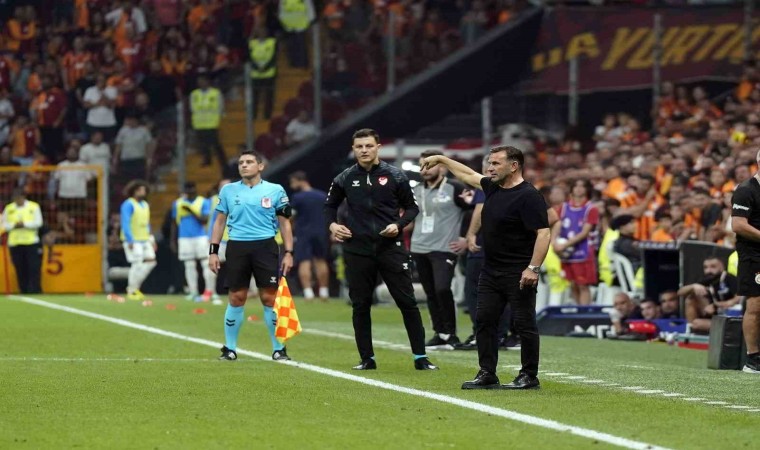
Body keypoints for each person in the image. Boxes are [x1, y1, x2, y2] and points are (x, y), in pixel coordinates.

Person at [421, 145, 550, 389]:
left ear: (514, 166)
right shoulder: (492, 187)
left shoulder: (529, 195)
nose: (490, 168)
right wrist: (442, 159)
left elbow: (543, 233)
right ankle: (487, 373)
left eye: (496, 163)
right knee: (484, 321)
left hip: (518, 271)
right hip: (490, 270)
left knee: (524, 324)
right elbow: (468, 174)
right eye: (490, 163)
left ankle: (529, 375)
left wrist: (533, 268)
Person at [324, 128, 438, 371]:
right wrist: (333, 225)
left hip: (390, 248)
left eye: (368, 146)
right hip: (357, 248)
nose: (364, 150)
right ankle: (367, 359)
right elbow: (329, 207)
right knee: (360, 304)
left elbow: (412, 208)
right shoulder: (344, 178)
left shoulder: (396, 175)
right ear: (353, 150)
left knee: (407, 302)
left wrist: (398, 225)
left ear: (378, 147)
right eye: (359, 147)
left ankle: (420, 357)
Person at [209, 150, 295, 361]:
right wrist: (213, 252)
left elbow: (285, 224)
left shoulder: (275, 190)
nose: (244, 165)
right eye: (241, 162)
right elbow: (219, 222)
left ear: (261, 166)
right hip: (237, 247)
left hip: (266, 246)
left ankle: (279, 348)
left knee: (269, 297)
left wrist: (289, 252)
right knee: (236, 297)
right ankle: (230, 348)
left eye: (249, 162)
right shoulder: (228, 190)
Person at [410, 149, 470, 350]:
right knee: (430, 292)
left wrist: (466, 237)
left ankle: (451, 333)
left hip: (445, 247)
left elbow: (476, 210)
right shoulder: (416, 189)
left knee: (442, 288)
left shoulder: (455, 187)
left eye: (429, 165)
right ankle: (439, 333)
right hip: (419, 247)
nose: (425, 169)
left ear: (443, 167)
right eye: (422, 165)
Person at [730, 160, 760, 373]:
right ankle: (753, 358)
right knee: (756, 305)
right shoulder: (746, 189)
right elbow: (738, 225)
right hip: (754, 255)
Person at [553, 179, 599, 305]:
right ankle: (578, 309)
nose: (579, 188)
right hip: (567, 253)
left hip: (582, 251)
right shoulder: (563, 207)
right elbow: (557, 224)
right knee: (572, 284)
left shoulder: (591, 208)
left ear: (587, 189)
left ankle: (584, 312)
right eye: (576, 186)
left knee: (583, 284)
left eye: (582, 186)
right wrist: (554, 242)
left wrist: (564, 245)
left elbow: (585, 232)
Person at [288, 170, 330, 300]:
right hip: (321, 232)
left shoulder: (298, 197)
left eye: (292, 182)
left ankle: (308, 293)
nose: (291, 186)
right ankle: (324, 292)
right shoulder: (323, 196)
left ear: (299, 181)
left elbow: (290, 216)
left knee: (304, 262)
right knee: (321, 260)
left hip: (303, 233)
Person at [171, 182, 216, 302]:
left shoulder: (203, 202)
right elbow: (174, 223)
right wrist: (173, 240)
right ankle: (193, 292)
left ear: (195, 189)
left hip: (200, 237)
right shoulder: (177, 203)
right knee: (189, 265)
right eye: (187, 189)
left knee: (206, 264)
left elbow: (204, 220)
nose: (189, 192)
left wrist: (190, 210)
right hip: (184, 237)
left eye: (191, 189)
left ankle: (210, 291)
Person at [678, 256, 740, 333]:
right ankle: (690, 330)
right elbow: (680, 292)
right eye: (705, 267)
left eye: (713, 267)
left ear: (721, 267)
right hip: (713, 315)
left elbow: (740, 297)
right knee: (690, 298)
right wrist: (693, 286)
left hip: (729, 318)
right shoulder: (706, 279)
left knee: (697, 324)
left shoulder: (728, 277)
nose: (708, 270)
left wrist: (717, 305)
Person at [119, 180, 157, 301]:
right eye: (140, 190)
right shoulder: (128, 204)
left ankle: (135, 287)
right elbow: (125, 222)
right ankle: (132, 290)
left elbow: (147, 223)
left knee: (151, 261)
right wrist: (129, 239)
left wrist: (152, 239)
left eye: (144, 190)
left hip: (144, 238)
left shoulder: (145, 205)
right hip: (133, 239)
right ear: (134, 191)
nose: (143, 192)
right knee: (137, 263)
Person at [2, 188, 43, 293]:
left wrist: (25, 224)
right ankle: (23, 290)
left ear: (24, 197)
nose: (17, 200)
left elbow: (39, 223)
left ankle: (35, 290)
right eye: (15, 198)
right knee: (19, 268)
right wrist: (14, 225)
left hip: (31, 242)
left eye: (19, 198)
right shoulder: (9, 208)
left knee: (33, 268)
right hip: (15, 243)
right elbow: (4, 225)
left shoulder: (33, 207)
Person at [189, 74, 226, 171]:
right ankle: (207, 160)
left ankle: (223, 162)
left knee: (215, 144)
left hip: (212, 123)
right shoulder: (194, 94)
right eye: (199, 81)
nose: (201, 83)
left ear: (207, 81)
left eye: (202, 81)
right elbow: (192, 108)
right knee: (203, 144)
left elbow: (220, 106)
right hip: (199, 123)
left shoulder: (215, 93)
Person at [206, 178, 231, 306]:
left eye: (227, 185)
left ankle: (251, 291)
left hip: (236, 238)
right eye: (222, 186)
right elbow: (212, 219)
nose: (225, 188)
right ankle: (211, 291)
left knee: (244, 267)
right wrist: (210, 237)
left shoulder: (238, 198)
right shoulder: (214, 200)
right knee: (214, 265)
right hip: (220, 239)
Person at [248, 28, 277, 120]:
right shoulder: (252, 43)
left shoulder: (272, 42)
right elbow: (249, 57)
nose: (262, 34)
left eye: (264, 32)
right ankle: (253, 115)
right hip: (255, 74)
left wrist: (265, 67)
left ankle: (267, 116)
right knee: (254, 96)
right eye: (260, 32)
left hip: (269, 74)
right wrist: (257, 67)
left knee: (269, 96)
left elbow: (274, 57)